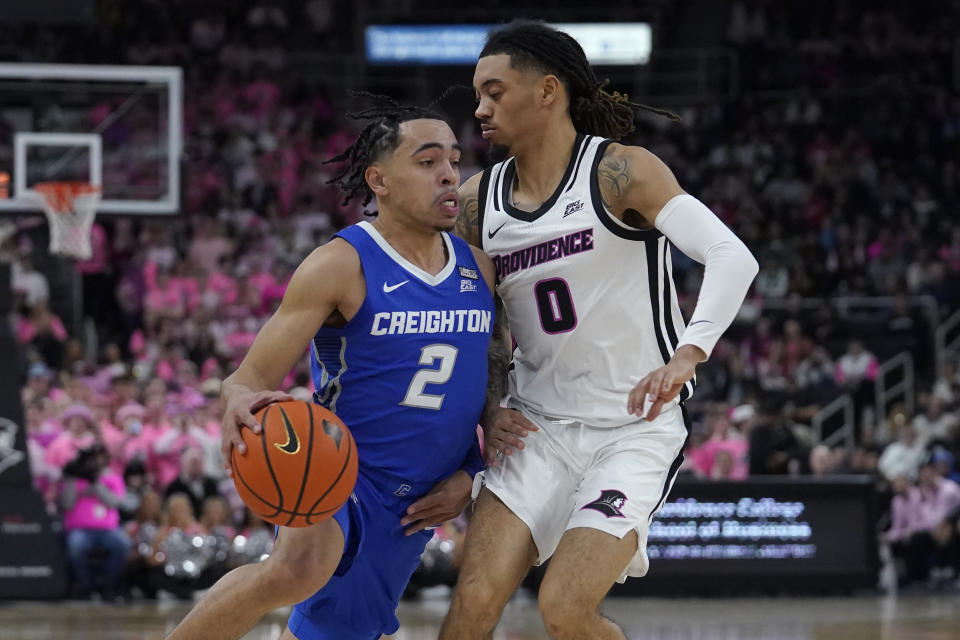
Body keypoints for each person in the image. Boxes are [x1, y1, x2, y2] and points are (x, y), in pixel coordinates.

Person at [441, 21, 758, 640]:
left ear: (548, 91)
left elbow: (731, 256)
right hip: (536, 427)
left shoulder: (622, 171)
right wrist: (486, 406)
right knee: (472, 604)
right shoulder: (480, 202)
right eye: (477, 94)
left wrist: (687, 354)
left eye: (495, 91)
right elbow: (482, 326)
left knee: (564, 608)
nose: (479, 108)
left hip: (630, 431)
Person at [167, 102, 496, 640]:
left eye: (454, 161)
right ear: (379, 179)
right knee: (296, 569)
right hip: (338, 470)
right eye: (427, 160)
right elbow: (248, 377)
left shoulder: (478, 267)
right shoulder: (342, 262)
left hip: (418, 497)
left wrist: (472, 471)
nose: (447, 175)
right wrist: (235, 400)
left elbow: (490, 384)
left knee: (336, 632)